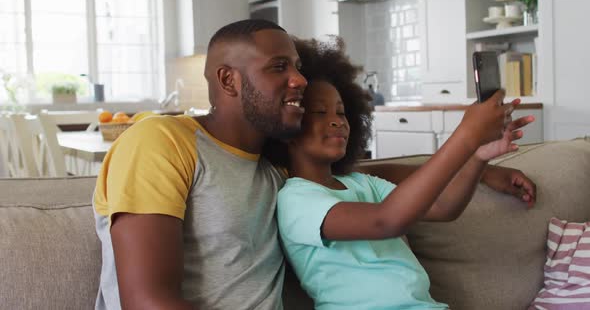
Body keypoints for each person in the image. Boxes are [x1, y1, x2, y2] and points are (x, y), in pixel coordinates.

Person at [92, 19, 534, 309]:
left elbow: (367, 179)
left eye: (299, 67)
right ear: (228, 79)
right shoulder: (160, 142)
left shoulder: (275, 169)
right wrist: (466, 138)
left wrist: (481, 165)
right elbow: (148, 300)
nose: (300, 80)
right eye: (279, 67)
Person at [268, 37, 535, 309]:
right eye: (320, 112)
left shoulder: (360, 183)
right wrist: (466, 137)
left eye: (341, 112)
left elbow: (444, 206)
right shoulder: (297, 199)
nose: (337, 120)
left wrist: (478, 156)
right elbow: (386, 221)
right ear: (289, 129)